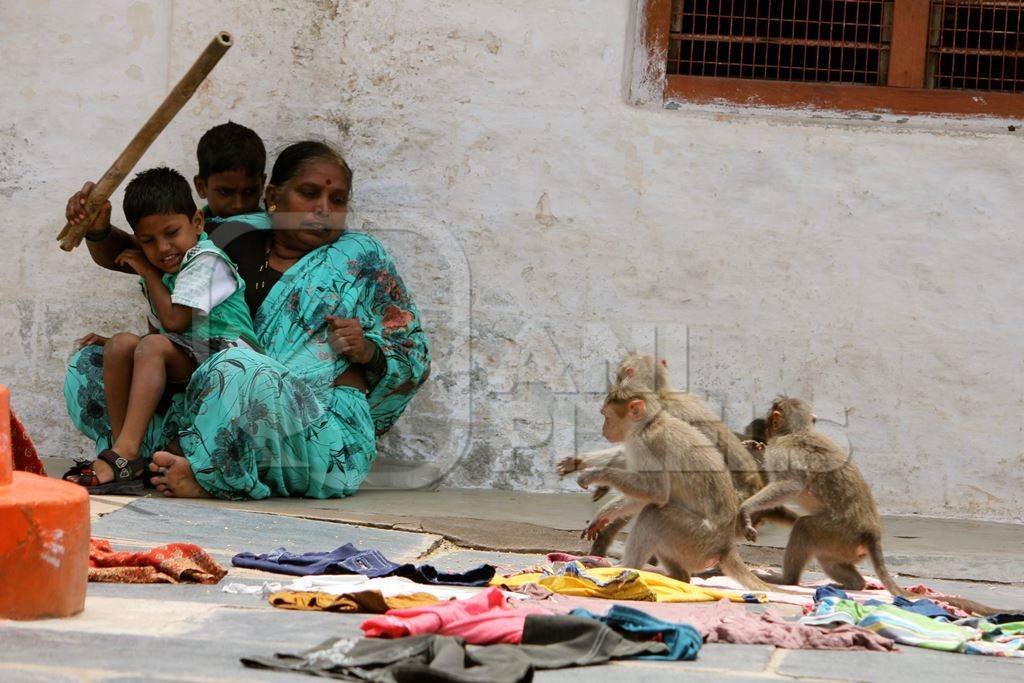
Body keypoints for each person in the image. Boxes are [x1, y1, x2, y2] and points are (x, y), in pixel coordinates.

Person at [63, 140, 430, 499]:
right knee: (95, 363)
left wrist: (368, 350)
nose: (323, 209)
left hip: (310, 420)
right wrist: (97, 229)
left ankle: (212, 472)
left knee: (239, 368)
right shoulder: (233, 235)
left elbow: (414, 353)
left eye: (337, 200)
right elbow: (146, 251)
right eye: (309, 193)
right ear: (273, 197)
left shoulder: (360, 257)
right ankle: (134, 458)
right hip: (213, 392)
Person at [63, 167, 259, 494]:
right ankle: (121, 453)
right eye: (148, 241)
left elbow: (175, 322)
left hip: (231, 363)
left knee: (150, 346)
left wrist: (148, 273)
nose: (163, 248)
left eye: (171, 233)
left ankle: (125, 452)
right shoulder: (169, 267)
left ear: (197, 223)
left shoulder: (206, 259)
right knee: (122, 344)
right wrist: (120, 342)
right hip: (193, 354)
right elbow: (166, 333)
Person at [194, 121, 271, 233]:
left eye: (249, 192)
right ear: (201, 187)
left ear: (262, 184)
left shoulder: (273, 235)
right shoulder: (191, 235)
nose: (238, 205)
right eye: (225, 192)